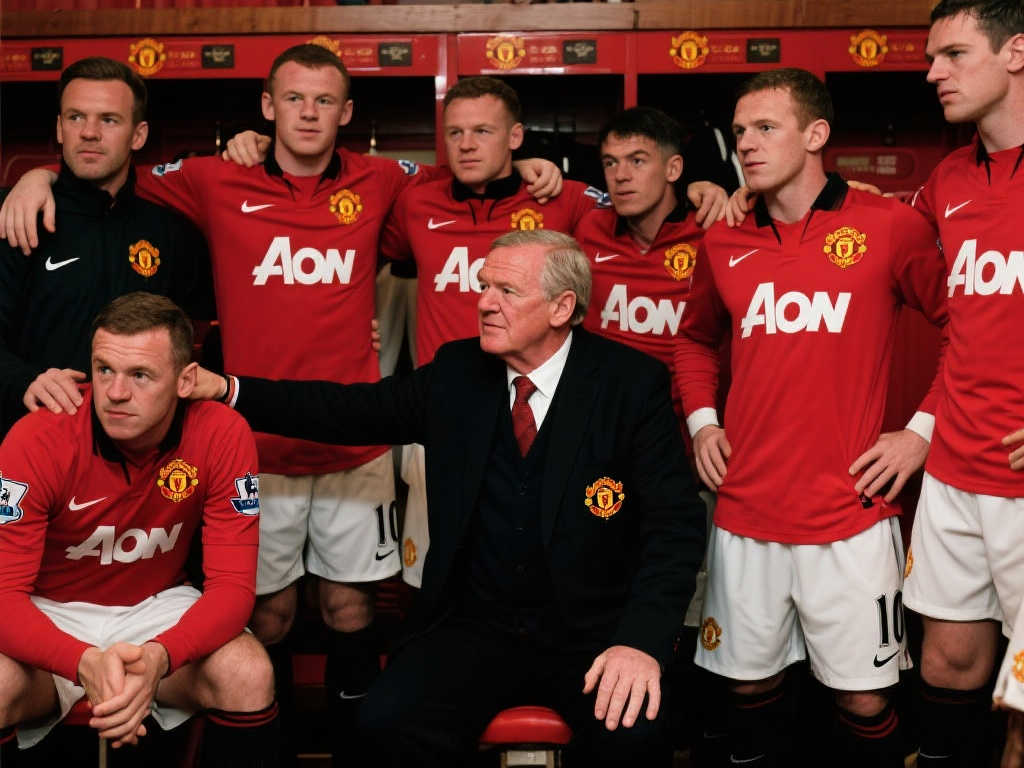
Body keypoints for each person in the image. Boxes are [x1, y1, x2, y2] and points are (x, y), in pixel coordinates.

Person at [194, 228, 706, 766]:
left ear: (561, 307)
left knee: (634, 738)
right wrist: (229, 390)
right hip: (472, 632)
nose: (484, 302)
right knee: (384, 725)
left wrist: (640, 642)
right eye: (484, 286)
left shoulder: (630, 384)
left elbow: (675, 528)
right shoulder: (459, 372)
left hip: (593, 636)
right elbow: (346, 410)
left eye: (506, 291)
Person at [676, 68, 948, 766]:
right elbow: (694, 340)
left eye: (766, 127)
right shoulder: (724, 238)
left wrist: (920, 433)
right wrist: (703, 421)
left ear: (816, 134)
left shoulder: (888, 226)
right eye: (740, 131)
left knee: (864, 699)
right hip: (746, 509)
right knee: (747, 686)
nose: (746, 143)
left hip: (849, 512)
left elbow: (970, 330)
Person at [0, 292, 275, 766]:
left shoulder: (221, 432)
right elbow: (4, 597)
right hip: (50, 610)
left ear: (185, 380)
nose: (115, 392)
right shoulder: (37, 437)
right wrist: (81, 660)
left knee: (247, 672)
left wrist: (160, 656)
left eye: (140, 375)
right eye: (104, 369)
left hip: (156, 606)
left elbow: (232, 589)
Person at [897, 2, 1024, 764]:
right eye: (930, 58)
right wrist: (720, 194)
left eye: (953, 55)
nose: (933, 73)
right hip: (956, 469)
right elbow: (859, 236)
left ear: (1017, 52)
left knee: (1022, 712)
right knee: (947, 663)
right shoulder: (947, 179)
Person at [0, 57, 213, 435]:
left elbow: (199, 336)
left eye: (109, 120)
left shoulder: (172, 232)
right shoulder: (13, 216)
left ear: (138, 135)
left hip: (142, 453)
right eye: (76, 117)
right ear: (60, 128)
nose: (89, 132)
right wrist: (24, 380)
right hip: (33, 439)